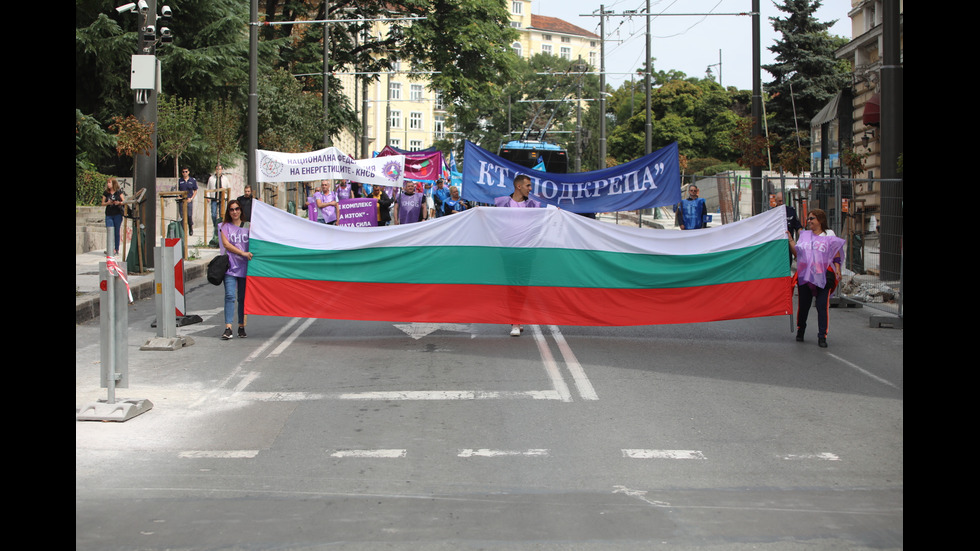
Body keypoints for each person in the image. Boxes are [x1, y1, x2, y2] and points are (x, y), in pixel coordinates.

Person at [495, 173, 545, 336]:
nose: (530, 189)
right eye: (528, 186)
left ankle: (517, 318)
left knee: (522, 286)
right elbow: (491, 221)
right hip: (508, 251)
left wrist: (556, 213)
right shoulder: (501, 203)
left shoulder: (534, 205)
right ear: (519, 186)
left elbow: (545, 219)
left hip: (527, 252)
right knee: (512, 285)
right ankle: (515, 320)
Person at [788, 208, 844, 348]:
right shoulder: (804, 235)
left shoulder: (829, 234)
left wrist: (837, 268)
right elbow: (798, 254)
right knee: (804, 306)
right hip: (805, 276)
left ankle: (822, 337)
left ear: (820, 220)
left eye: (812, 218)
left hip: (823, 276)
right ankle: (801, 330)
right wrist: (790, 240)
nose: (809, 221)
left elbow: (835, 251)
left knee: (821, 306)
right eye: (808, 218)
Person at [219, 199, 253, 340]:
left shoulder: (248, 226)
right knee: (230, 296)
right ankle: (228, 328)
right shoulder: (224, 227)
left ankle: (241, 326)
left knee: (242, 298)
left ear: (241, 210)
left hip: (246, 268)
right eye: (231, 209)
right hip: (230, 268)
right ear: (229, 212)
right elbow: (226, 244)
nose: (234, 212)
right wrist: (242, 253)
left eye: (237, 209)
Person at [101, 177, 125, 255]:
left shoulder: (118, 192)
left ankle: (116, 249)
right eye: (107, 182)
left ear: (113, 183)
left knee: (116, 231)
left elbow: (124, 201)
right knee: (109, 230)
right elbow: (102, 203)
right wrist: (108, 203)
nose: (108, 184)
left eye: (110, 182)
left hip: (117, 213)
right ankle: (109, 248)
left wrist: (119, 203)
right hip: (109, 214)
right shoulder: (106, 193)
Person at [177, 167, 199, 235]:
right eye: (183, 172)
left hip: (189, 200)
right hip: (181, 200)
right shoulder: (180, 181)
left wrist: (191, 198)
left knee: (189, 215)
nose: (184, 173)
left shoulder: (192, 180)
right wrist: (178, 196)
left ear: (188, 172)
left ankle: (190, 226)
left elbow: (195, 190)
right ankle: (183, 230)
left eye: (186, 171)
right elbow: (177, 189)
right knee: (182, 216)